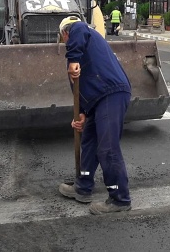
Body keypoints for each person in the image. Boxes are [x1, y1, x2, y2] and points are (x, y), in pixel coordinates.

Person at [57, 16, 133, 215]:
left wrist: (72, 58)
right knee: (89, 142)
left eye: (64, 38)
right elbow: (79, 88)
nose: (67, 43)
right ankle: (83, 186)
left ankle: (120, 198)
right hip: (98, 100)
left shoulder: (80, 30)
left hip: (111, 93)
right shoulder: (82, 52)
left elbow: (78, 26)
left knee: (107, 148)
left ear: (65, 33)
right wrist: (82, 113)